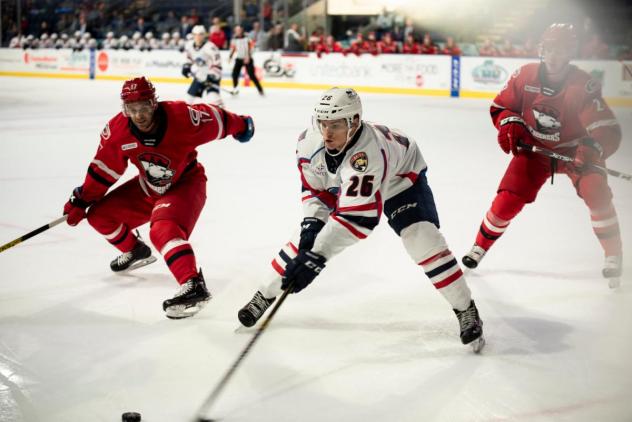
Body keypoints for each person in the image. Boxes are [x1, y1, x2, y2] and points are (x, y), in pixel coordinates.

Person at [237, 87, 485, 352]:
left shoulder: (369, 153)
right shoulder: (309, 143)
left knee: (422, 239)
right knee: (303, 242)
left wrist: (317, 258)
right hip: (352, 182)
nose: (327, 133)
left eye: (335, 125)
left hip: (401, 181)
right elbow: (315, 190)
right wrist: (311, 225)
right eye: (322, 123)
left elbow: (359, 219)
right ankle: (264, 294)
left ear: (354, 122)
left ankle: (464, 307)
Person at [62, 77, 255, 319]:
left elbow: (216, 119)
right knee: (99, 216)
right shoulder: (118, 132)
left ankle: (193, 284)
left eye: (143, 107)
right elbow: (103, 171)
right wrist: (81, 200)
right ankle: (136, 251)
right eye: (131, 109)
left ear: (154, 104)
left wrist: (242, 125)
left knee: (162, 230)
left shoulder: (182, 117)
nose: (139, 115)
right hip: (149, 187)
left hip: (186, 183)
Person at [462, 24, 623, 284]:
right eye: (549, 49)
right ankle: (479, 246)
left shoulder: (583, 84)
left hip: (576, 152)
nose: (554, 56)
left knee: (598, 194)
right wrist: (509, 122)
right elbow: (501, 106)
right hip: (536, 150)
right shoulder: (524, 76)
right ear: (541, 50)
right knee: (507, 199)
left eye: (560, 50)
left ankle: (614, 255)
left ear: (571, 52)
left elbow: (606, 128)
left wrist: (592, 149)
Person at [182, 25, 224, 107]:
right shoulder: (189, 45)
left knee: (214, 99)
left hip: (212, 76)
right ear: (193, 35)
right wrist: (186, 66)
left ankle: (224, 115)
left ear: (204, 35)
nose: (198, 37)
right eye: (196, 34)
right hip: (200, 76)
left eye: (200, 34)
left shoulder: (210, 47)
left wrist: (212, 75)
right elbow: (189, 58)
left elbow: (218, 62)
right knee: (188, 99)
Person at [229, 25, 264, 96]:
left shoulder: (247, 37)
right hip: (239, 58)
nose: (237, 31)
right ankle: (235, 89)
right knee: (234, 74)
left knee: (252, 75)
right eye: (236, 30)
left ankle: (260, 90)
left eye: (239, 30)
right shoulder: (234, 39)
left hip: (248, 58)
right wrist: (230, 57)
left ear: (242, 30)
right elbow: (233, 48)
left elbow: (252, 47)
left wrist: (248, 56)